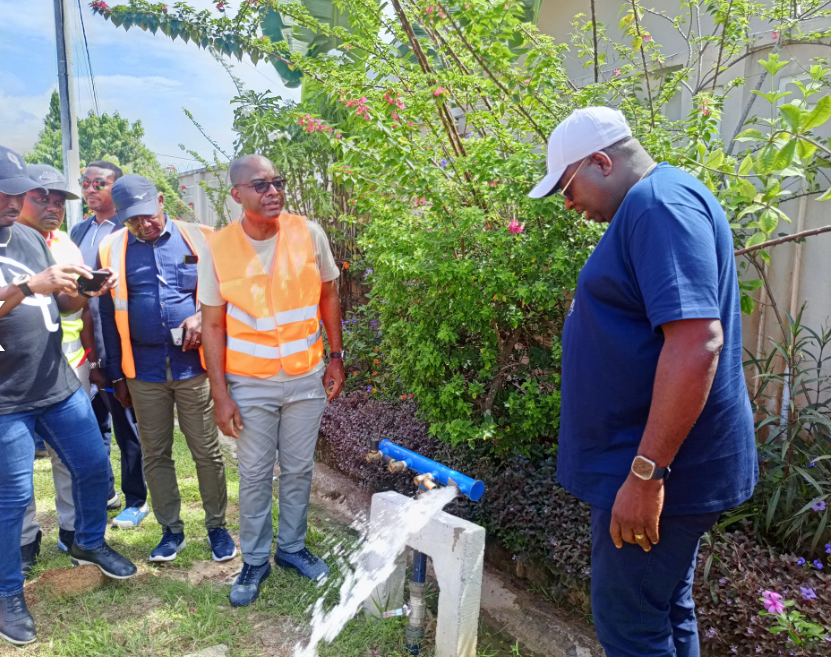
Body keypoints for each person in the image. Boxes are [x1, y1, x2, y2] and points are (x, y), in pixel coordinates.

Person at [528, 107, 757, 657]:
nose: (569, 203)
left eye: (567, 186)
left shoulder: (659, 208)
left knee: (630, 623)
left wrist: (646, 476)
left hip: (660, 473)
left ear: (601, 162)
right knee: (663, 608)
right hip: (652, 466)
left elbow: (696, 344)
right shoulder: (656, 204)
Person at [0, 145, 137, 646]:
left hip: (56, 383)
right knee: (13, 499)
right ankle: (8, 592)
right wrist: (28, 287)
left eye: (21, 192)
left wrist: (86, 289)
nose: (16, 201)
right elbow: (32, 291)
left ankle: (88, 543)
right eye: (9, 191)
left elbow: (64, 301)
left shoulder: (31, 239)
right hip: (6, 400)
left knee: (94, 466)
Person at [199, 154, 345, 607]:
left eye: (277, 182)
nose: (273, 192)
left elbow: (328, 295)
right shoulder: (218, 246)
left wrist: (336, 358)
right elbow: (212, 325)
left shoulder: (309, 233)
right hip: (249, 382)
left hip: (306, 376)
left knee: (300, 469)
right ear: (236, 194)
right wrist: (220, 394)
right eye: (260, 185)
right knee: (257, 473)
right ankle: (256, 559)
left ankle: (293, 549)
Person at [98, 175, 236, 563]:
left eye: (147, 215)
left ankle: (217, 528)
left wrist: (198, 316)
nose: (144, 225)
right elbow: (108, 314)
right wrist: (116, 374)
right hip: (142, 371)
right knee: (155, 453)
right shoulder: (113, 249)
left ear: (161, 201)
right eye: (133, 221)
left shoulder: (201, 239)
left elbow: (225, 295)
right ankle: (170, 531)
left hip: (194, 366)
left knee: (206, 451)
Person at [17, 164, 93, 571]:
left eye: (59, 200)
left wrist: (87, 293)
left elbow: (69, 306)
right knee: (15, 462)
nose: (52, 206)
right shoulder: (7, 242)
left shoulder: (65, 243)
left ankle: (72, 531)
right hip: (15, 375)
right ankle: (25, 538)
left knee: (72, 455)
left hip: (68, 366)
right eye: (41, 197)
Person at [71, 160, 149, 529]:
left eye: (98, 182)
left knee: (126, 425)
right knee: (91, 423)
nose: (89, 188)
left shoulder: (130, 229)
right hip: (83, 343)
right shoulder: (79, 230)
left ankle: (137, 500)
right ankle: (106, 492)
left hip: (118, 344)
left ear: (116, 190)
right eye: (85, 182)